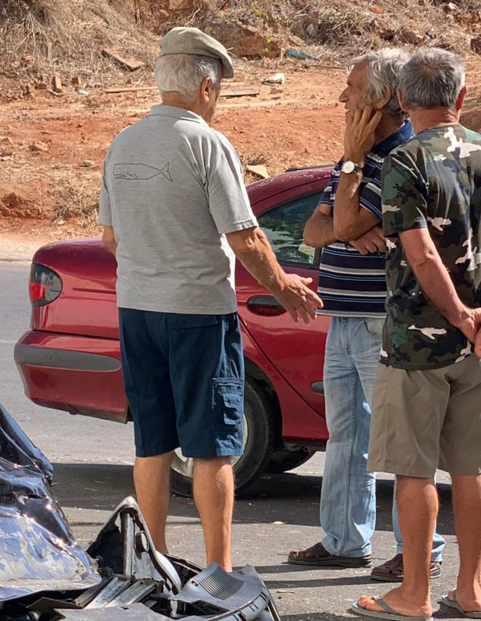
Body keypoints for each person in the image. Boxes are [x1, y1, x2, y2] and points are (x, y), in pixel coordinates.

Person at [99, 27, 322, 572]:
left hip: (138, 309)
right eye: (218, 89)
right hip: (197, 312)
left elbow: (110, 237)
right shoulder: (207, 143)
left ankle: (153, 560)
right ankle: (218, 570)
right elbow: (246, 235)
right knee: (213, 444)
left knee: (152, 441)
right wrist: (284, 287)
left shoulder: (123, 142)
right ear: (205, 85)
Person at [290, 49, 445, 582]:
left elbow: (347, 217)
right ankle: (344, 540)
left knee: (400, 439)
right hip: (344, 317)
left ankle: (419, 551)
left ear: (382, 98)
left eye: (352, 88)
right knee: (346, 436)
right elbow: (314, 231)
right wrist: (344, 223)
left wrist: (346, 207)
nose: (342, 98)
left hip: (386, 319)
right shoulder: (352, 159)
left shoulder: (400, 156)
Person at [352, 48, 481, 621]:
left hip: (416, 342)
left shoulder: (406, 160)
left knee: (414, 469)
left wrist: (456, 313)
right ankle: (470, 590)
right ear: (459, 98)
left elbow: (420, 251)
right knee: (471, 468)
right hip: (477, 341)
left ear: (403, 100)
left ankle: (414, 595)